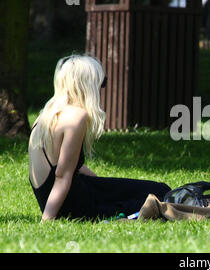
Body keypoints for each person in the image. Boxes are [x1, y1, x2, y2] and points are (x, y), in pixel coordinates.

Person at [28, 54, 171, 222]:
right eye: (101, 83)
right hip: (74, 206)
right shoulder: (76, 117)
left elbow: (71, 167)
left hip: (67, 194)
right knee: (160, 197)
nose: (101, 89)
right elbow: (62, 175)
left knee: (159, 189)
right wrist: (47, 219)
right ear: (87, 84)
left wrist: (107, 186)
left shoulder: (46, 116)